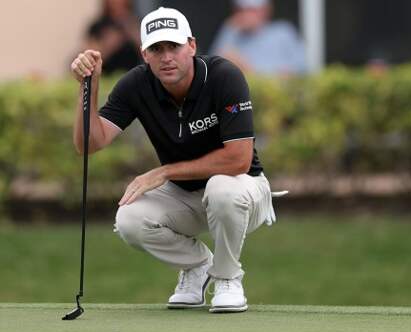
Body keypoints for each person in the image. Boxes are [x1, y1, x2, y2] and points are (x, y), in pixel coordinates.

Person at [70, 6, 280, 313]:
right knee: (129, 219)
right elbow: (89, 143)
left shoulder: (223, 76)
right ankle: (198, 267)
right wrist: (89, 86)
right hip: (187, 195)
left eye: (174, 46)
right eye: (157, 48)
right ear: (144, 54)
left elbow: (239, 159)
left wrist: (166, 172)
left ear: (191, 46)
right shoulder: (136, 85)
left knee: (222, 189)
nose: (166, 56)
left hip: (244, 190)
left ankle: (227, 277)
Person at [210, 0, 307, 75]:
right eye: (241, 10)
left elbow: (303, 68)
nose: (245, 15)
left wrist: (249, 68)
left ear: (265, 10)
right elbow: (210, 68)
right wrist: (229, 29)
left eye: (251, 9)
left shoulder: (283, 32)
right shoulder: (233, 34)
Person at [83, 0, 142, 74]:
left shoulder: (136, 22)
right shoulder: (98, 25)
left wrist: (132, 31)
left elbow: (147, 51)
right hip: (105, 77)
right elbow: (89, 57)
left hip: (132, 75)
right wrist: (109, 44)